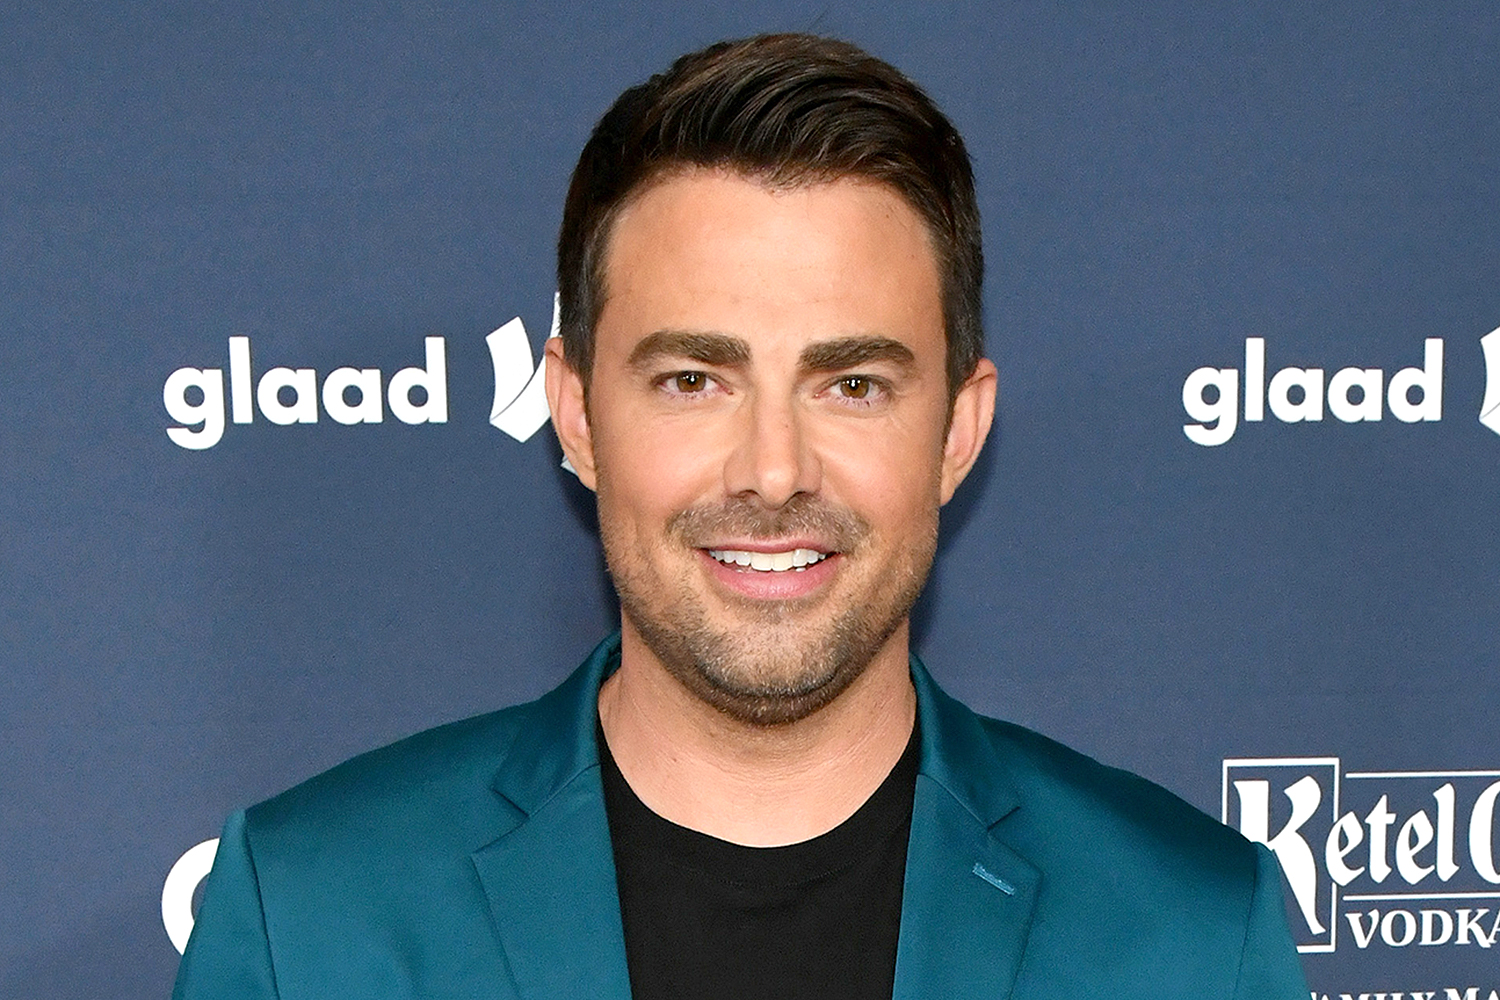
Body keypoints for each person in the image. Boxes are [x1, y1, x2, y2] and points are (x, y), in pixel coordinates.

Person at [173, 33, 1310, 1000]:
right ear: (573, 413)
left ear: (959, 431)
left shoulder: (1192, 935)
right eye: (692, 380)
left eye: (852, 383)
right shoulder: (311, 921)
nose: (774, 472)